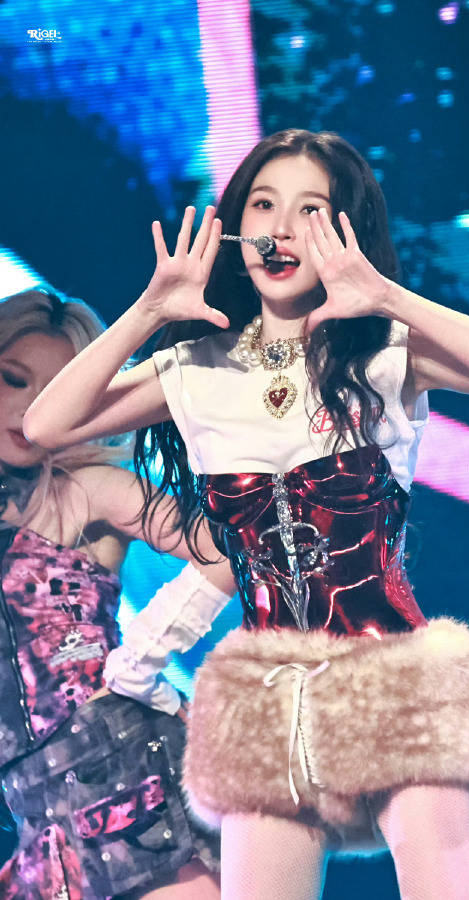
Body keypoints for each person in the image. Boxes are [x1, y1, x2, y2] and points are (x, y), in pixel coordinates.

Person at [25, 129, 469, 900]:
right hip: (266, 704)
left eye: (309, 211)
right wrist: (148, 311)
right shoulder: (194, 370)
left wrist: (385, 295)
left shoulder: (381, 352)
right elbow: (46, 425)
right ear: (236, 225)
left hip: (398, 681)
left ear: (344, 231)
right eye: (263, 205)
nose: (278, 230)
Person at [0, 287, 234, 899]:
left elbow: (234, 550)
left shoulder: (89, 491)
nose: (30, 408)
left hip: (132, 774)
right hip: (39, 821)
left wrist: (141, 659)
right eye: (13, 379)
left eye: (56, 389)